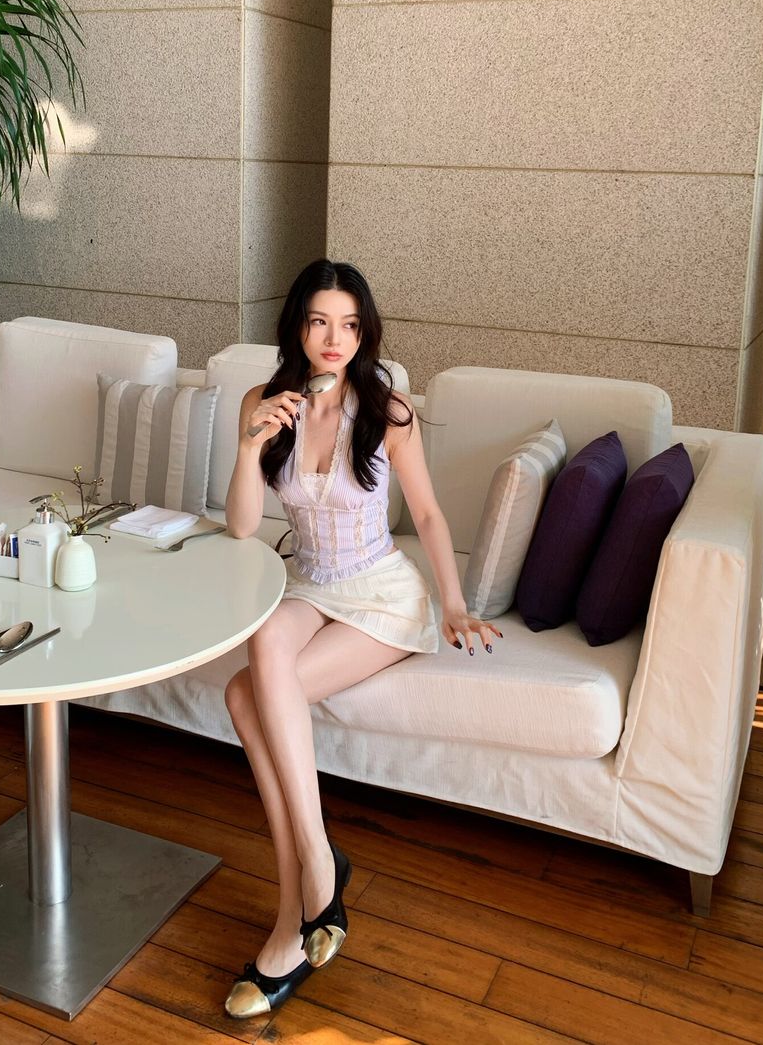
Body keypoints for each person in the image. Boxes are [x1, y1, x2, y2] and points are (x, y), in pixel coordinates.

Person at [221, 259, 501, 1019]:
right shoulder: (262, 403)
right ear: (297, 327)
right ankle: (317, 867)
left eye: (348, 324)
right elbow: (241, 526)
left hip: (380, 593)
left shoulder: (387, 410)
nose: (333, 338)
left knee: (246, 699)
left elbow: (430, 515)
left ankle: (298, 903)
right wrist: (249, 446)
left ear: (364, 332)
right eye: (319, 321)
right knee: (261, 652)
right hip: (309, 583)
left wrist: (454, 602)